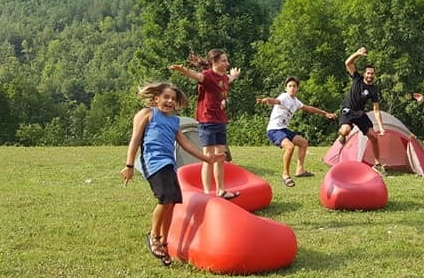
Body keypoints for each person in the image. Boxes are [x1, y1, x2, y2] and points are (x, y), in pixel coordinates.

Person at [121, 82, 219, 266]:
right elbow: (135, 139)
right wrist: (129, 165)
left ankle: (164, 243)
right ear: (156, 98)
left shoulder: (175, 122)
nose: (169, 101)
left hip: (169, 164)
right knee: (165, 199)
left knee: (173, 202)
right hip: (154, 162)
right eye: (166, 97)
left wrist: (206, 159)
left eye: (173, 99)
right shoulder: (147, 114)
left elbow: (186, 144)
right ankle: (154, 236)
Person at [169, 49, 240, 199]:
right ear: (214, 62)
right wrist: (182, 70)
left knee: (220, 157)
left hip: (220, 120)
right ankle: (207, 193)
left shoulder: (224, 78)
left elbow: (228, 79)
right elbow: (196, 75)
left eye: (227, 61)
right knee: (208, 158)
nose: (227, 63)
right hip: (207, 121)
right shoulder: (207, 76)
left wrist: (234, 75)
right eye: (223, 61)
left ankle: (221, 190)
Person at [257, 76, 337, 187]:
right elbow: (276, 101)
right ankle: (285, 174)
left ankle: (300, 170)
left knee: (303, 143)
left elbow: (309, 108)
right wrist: (267, 100)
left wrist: (325, 113)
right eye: (290, 86)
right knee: (290, 147)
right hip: (274, 129)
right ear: (286, 88)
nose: (292, 88)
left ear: (297, 89)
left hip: (283, 129)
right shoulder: (284, 97)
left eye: (294, 86)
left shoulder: (295, 102)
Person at [337, 47, 386, 174]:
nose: (370, 75)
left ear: (374, 75)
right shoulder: (357, 78)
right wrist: (357, 54)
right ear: (364, 74)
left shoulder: (374, 90)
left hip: (359, 113)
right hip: (347, 110)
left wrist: (380, 127)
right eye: (368, 73)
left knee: (373, 137)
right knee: (346, 130)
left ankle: (377, 164)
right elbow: (348, 63)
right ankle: (341, 135)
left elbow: (376, 110)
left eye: (372, 73)